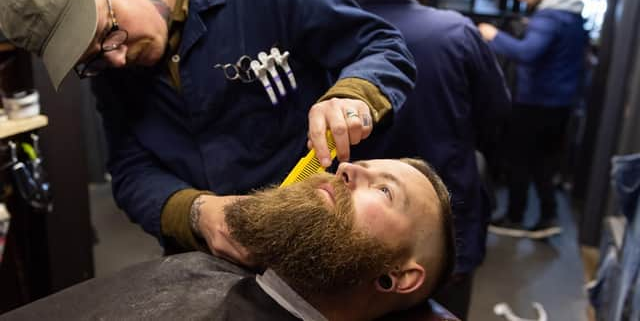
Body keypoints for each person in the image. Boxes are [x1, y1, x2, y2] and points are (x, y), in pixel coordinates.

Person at [0, 0, 416, 262]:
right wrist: (197, 213)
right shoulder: (113, 64)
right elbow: (130, 170)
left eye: (109, 31)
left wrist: (353, 95)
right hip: (206, 264)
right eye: (92, 59)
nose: (119, 59)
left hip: (316, 243)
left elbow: (382, 47)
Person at [329, 0, 510, 319]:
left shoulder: (327, 34)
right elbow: (497, 118)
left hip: (347, 228)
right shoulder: (457, 33)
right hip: (443, 232)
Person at [2, 158, 457, 321]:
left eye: (383, 189)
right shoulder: (214, 277)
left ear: (398, 276)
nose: (347, 168)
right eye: (364, 165)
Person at [477, 0, 588, 238]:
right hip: (560, 103)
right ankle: (548, 215)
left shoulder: (549, 17)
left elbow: (527, 53)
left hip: (535, 102)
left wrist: (494, 35)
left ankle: (515, 217)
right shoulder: (571, 15)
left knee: (519, 159)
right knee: (543, 162)